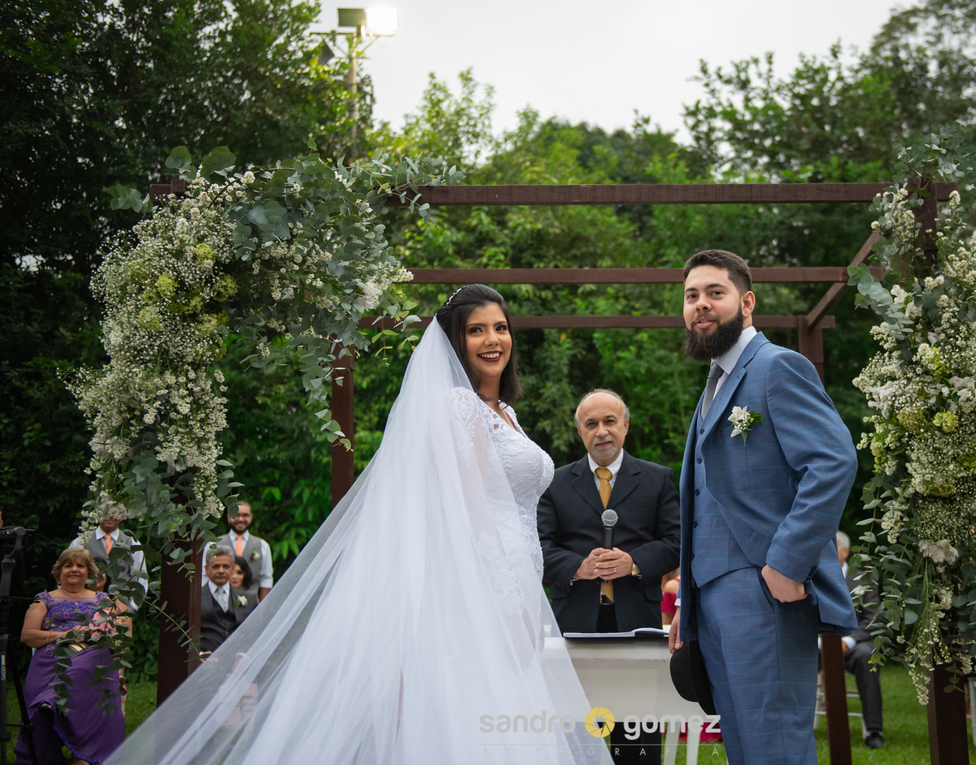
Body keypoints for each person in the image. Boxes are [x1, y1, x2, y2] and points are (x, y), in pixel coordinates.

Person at [107, 285, 607, 765]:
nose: (493, 339)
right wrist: (509, 605)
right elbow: (474, 513)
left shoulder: (504, 412)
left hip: (519, 580)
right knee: (485, 713)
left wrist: (526, 596)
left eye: (500, 327)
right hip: (485, 590)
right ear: (456, 340)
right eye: (477, 330)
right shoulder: (460, 408)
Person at [667, 250, 858, 765]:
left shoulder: (778, 367)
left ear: (747, 302)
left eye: (715, 293)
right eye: (691, 295)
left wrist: (787, 564)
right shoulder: (715, 382)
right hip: (711, 599)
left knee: (776, 747)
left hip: (764, 593)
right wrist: (687, 601)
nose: (701, 304)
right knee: (744, 750)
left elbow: (833, 462)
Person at [539, 388, 681, 763]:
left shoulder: (657, 479)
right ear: (580, 432)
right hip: (574, 623)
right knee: (574, 735)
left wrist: (634, 562)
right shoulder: (554, 483)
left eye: (609, 421)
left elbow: (677, 541)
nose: (601, 431)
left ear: (625, 426)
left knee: (636, 740)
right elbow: (539, 547)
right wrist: (577, 566)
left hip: (636, 623)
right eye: (591, 424)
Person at [17, 548, 129, 765]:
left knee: (95, 657)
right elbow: (27, 635)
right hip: (52, 654)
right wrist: (63, 635)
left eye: (80, 566)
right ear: (59, 572)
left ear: (89, 573)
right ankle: (51, 704)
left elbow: (119, 639)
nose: (74, 569)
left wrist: (98, 634)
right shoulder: (44, 600)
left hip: (94, 654)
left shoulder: (105, 601)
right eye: (68, 565)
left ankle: (54, 703)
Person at [835, 531, 884, 749]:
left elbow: (872, 619)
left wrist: (848, 641)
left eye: (833, 546)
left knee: (867, 657)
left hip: (854, 643)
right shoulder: (812, 576)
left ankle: (874, 731)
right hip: (817, 644)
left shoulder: (863, 579)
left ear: (845, 551)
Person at [70, 512, 148, 610]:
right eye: (106, 511)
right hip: (85, 608)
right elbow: (67, 575)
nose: (111, 516)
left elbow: (141, 578)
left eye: (115, 512)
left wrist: (131, 608)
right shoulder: (81, 542)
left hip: (122, 609)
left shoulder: (132, 543)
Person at [203, 501, 273, 600]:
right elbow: (204, 576)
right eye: (236, 515)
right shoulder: (213, 544)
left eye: (245, 515)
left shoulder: (262, 545)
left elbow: (266, 579)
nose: (240, 519)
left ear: (251, 517)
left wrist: (263, 607)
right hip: (219, 601)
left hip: (251, 603)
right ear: (228, 517)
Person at [200, 548, 258, 654]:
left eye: (226, 566)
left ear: (232, 568)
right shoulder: (195, 599)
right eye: (216, 566)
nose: (221, 571)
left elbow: (256, 633)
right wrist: (199, 654)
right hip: (205, 661)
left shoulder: (250, 600)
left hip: (239, 662)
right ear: (206, 569)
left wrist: (244, 657)